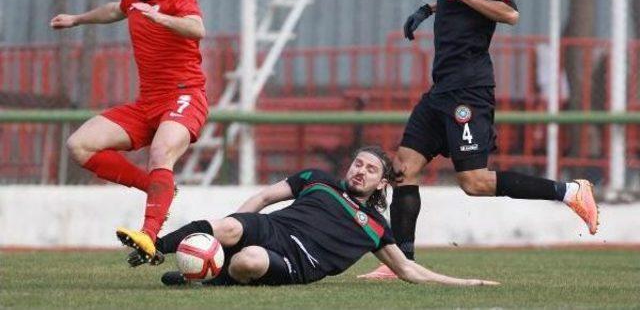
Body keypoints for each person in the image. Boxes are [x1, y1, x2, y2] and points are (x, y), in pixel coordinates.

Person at [359, 0, 599, 280]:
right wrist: (431, 7)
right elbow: (464, 4)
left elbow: (509, 14)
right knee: (404, 169)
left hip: (468, 91)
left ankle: (569, 191)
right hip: (442, 90)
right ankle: (402, 264)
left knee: (474, 183)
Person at [50, 0, 208, 264]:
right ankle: (157, 187)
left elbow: (197, 28)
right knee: (80, 145)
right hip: (147, 104)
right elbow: (115, 10)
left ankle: (148, 236)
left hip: (184, 97)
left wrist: (160, 17)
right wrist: (77, 19)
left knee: (161, 151)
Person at [129, 146, 497, 287]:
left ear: (381, 182)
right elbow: (264, 196)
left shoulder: (375, 228)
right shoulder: (318, 180)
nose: (360, 171)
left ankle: (208, 279)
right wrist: (234, 230)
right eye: (358, 163)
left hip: (297, 261)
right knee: (229, 226)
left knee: (250, 261)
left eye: (370, 169)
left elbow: (409, 271)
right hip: (274, 227)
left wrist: (467, 284)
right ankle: (154, 246)